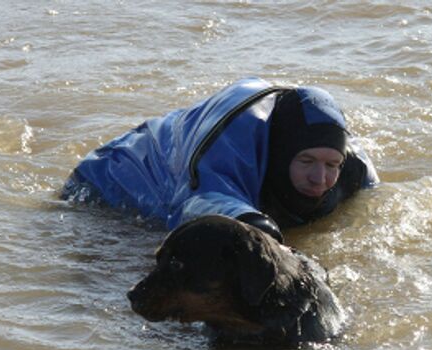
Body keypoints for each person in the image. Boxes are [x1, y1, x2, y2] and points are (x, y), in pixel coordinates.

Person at [62, 77, 379, 242]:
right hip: (106, 184)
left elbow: (374, 199)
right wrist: (256, 226)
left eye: (331, 165)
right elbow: (198, 204)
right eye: (307, 161)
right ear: (280, 155)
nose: (319, 178)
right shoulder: (229, 150)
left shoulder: (353, 167)